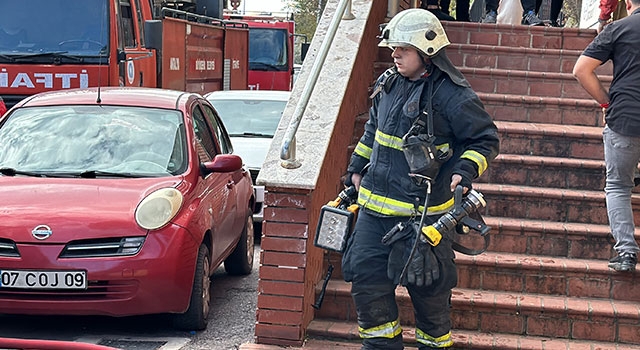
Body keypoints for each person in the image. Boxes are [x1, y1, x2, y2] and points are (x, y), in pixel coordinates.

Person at [341, 8, 500, 349]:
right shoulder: (389, 84)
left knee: (431, 302)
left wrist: (465, 169)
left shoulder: (453, 95)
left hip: (424, 223)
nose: (394, 54)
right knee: (367, 293)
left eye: (403, 48)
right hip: (373, 217)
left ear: (427, 51)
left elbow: (485, 139)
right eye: (393, 47)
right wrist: (356, 166)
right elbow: (374, 131)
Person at [572, 0, 640, 272]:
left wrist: (605, 102)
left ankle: (626, 253)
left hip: (625, 116)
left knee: (618, 187)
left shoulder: (619, 29)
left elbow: (581, 70)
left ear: (627, 3)